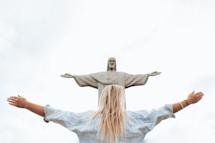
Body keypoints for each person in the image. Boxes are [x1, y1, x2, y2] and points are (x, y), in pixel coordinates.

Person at [7, 85, 204, 143]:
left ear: (102, 99)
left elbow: (55, 113)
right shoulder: (136, 120)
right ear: (122, 100)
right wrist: (188, 101)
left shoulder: (87, 120)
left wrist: (26, 105)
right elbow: (164, 111)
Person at [61, 57, 161, 100]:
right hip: (105, 101)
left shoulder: (122, 75)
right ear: (108, 63)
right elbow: (88, 78)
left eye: (113, 61)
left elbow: (134, 78)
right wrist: (74, 76)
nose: (112, 62)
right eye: (110, 61)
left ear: (115, 63)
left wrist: (147, 75)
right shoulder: (100, 75)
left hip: (119, 102)